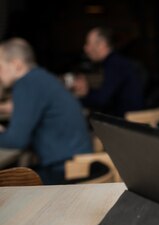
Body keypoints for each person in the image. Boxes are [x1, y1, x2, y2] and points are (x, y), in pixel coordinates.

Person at [0, 38, 93, 184]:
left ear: (17, 65)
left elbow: (17, 140)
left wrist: (4, 134)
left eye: (0, 66)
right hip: (77, 162)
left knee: (6, 183)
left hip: (65, 170)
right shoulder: (41, 78)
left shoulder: (27, 84)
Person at [72, 26, 145, 117]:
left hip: (127, 125)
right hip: (125, 120)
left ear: (102, 45)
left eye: (88, 43)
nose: (85, 48)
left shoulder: (114, 64)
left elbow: (102, 101)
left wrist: (84, 94)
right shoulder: (116, 61)